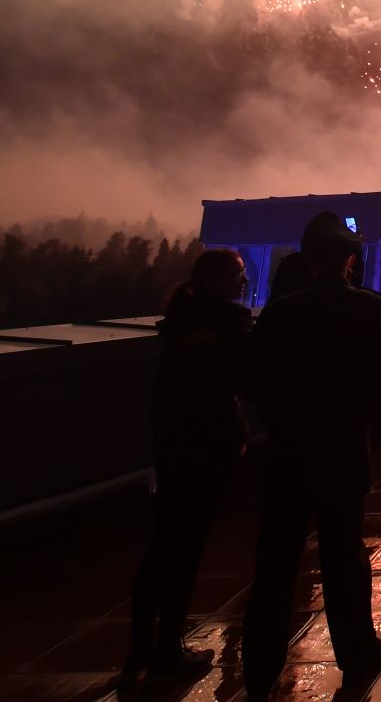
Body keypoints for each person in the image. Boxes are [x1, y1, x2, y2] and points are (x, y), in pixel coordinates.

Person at [241, 220, 381, 695]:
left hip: (289, 451)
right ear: (350, 261)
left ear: (307, 261)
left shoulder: (280, 313)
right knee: (343, 554)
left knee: (275, 564)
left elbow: (256, 377)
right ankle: (356, 650)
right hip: (342, 448)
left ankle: (261, 669)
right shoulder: (367, 309)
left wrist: (283, 423)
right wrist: (355, 419)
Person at [121, 249, 251, 692]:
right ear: (219, 281)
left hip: (174, 440)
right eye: (238, 274)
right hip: (211, 442)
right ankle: (169, 647)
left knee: (163, 540)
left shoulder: (179, 320)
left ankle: (140, 647)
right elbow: (246, 376)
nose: (244, 280)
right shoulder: (232, 322)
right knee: (190, 544)